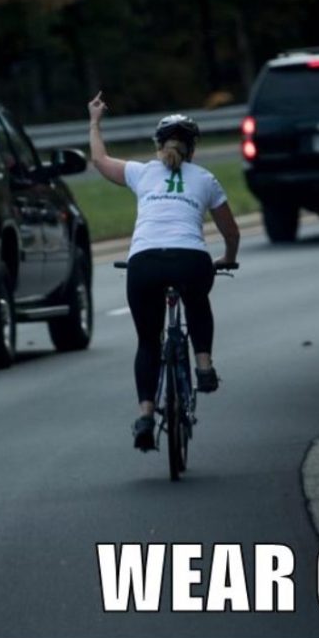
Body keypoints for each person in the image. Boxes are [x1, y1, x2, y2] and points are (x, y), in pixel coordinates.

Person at [87, 92, 240, 451]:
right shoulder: (205, 179)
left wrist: (95, 121)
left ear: (158, 145)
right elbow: (231, 232)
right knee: (197, 300)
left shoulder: (141, 172)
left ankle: (145, 415)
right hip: (191, 260)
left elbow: (99, 159)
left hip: (144, 262)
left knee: (147, 341)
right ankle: (204, 365)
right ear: (193, 148)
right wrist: (227, 258)